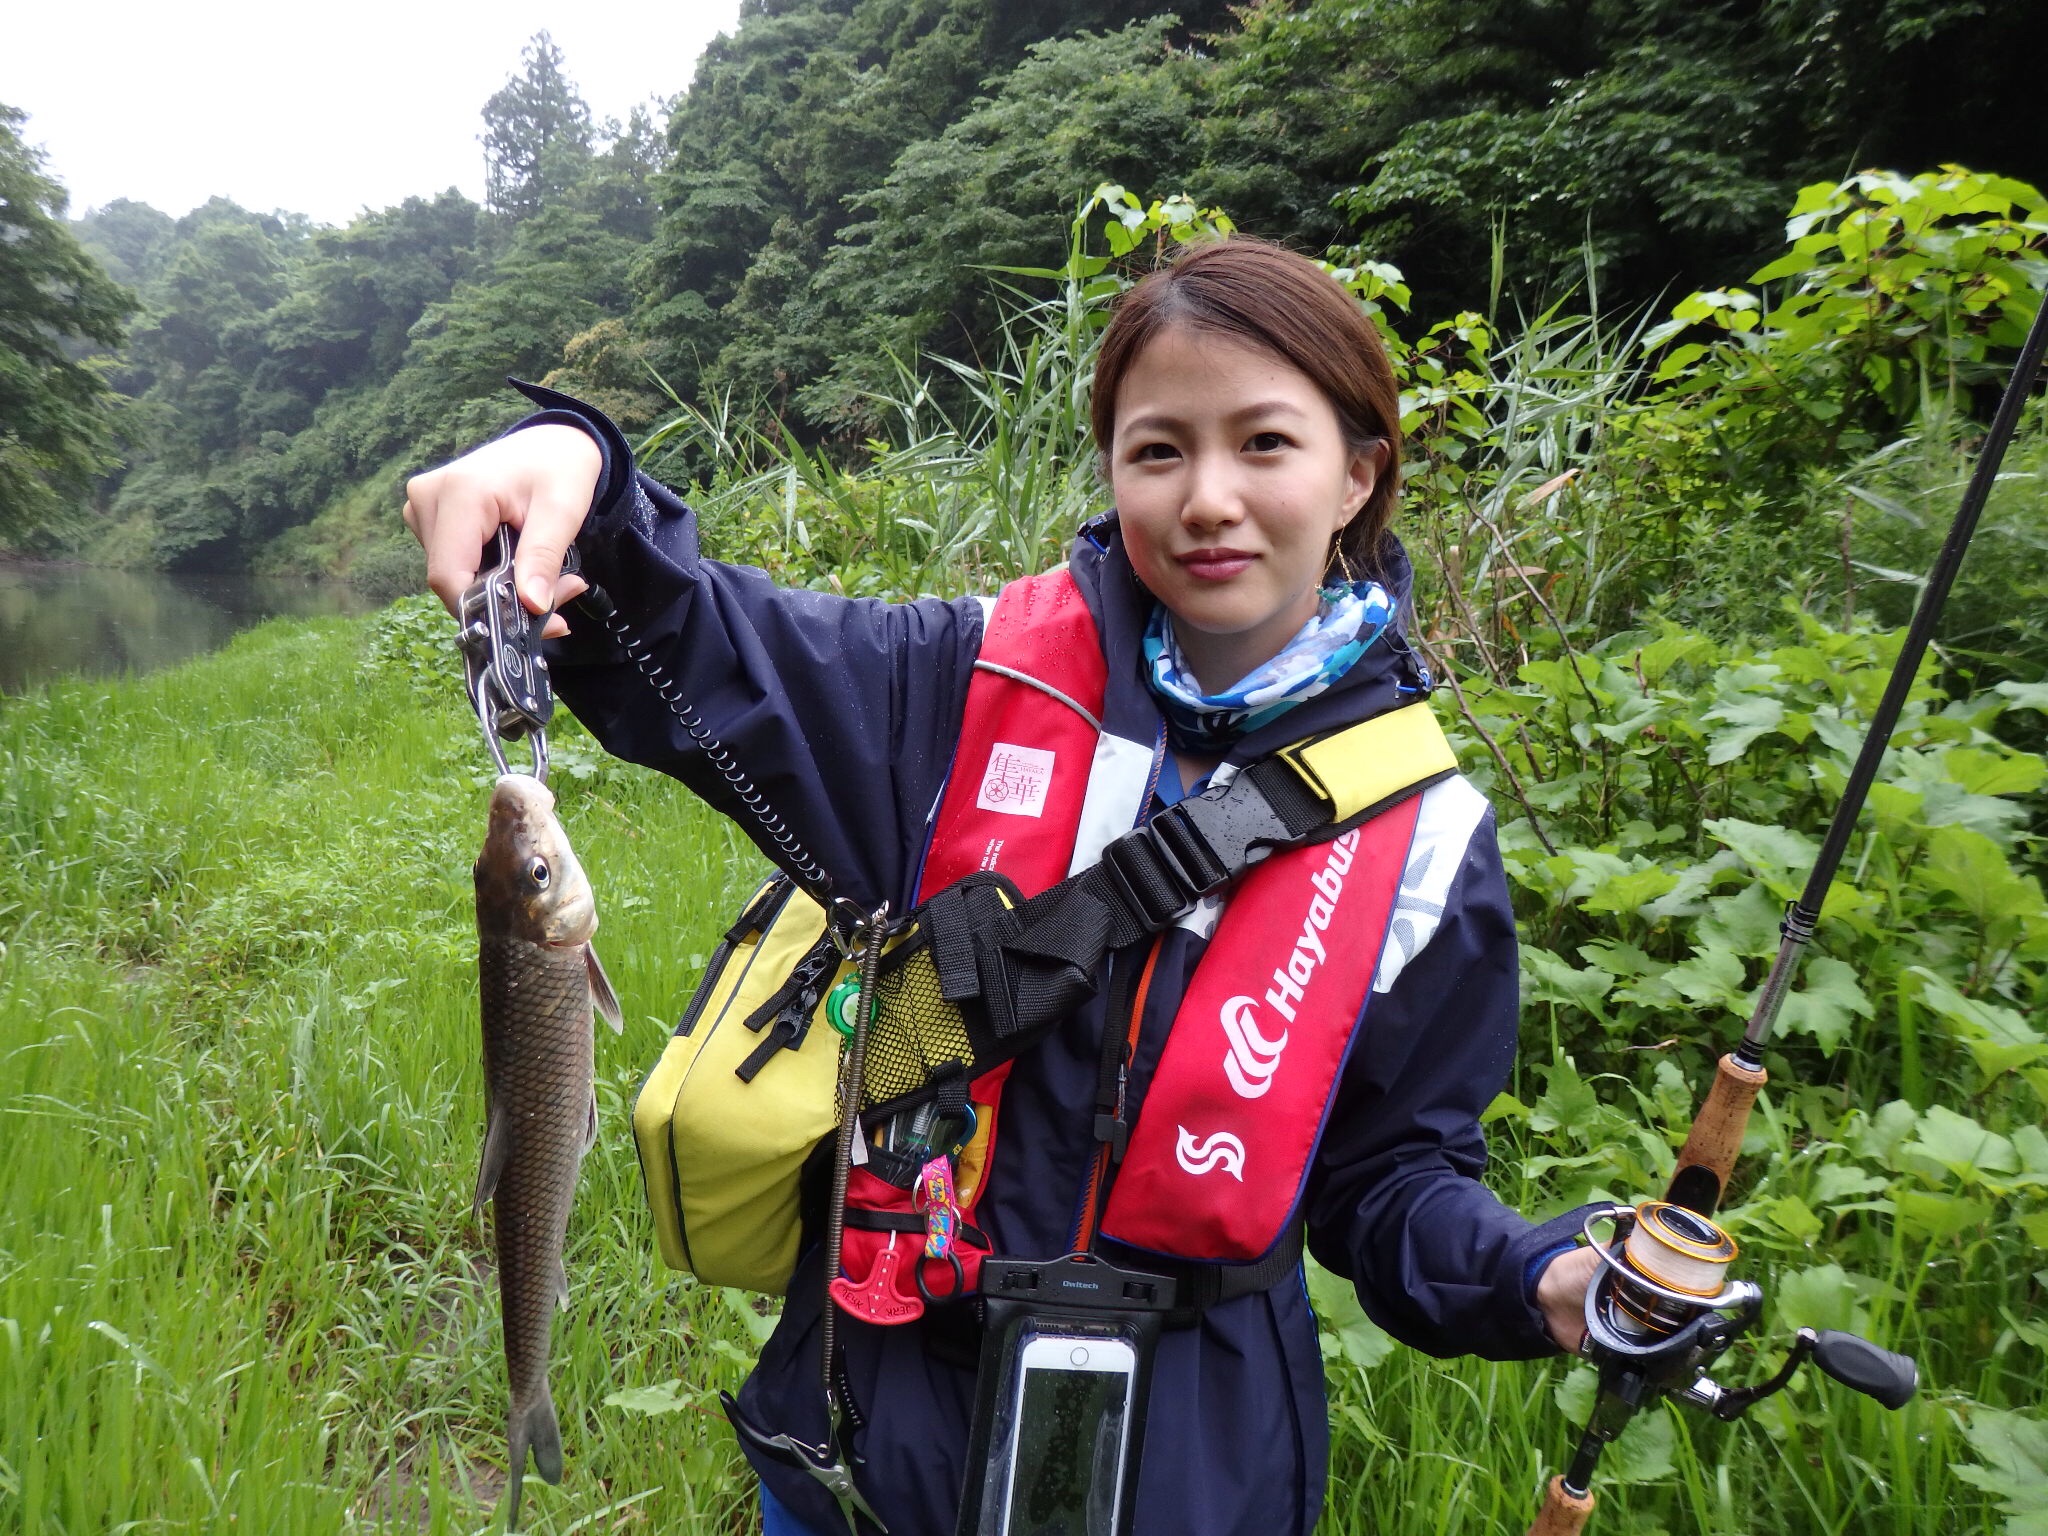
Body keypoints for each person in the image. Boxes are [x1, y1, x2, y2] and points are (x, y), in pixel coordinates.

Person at [405, 236, 1602, 1536]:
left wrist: (1533, 1272)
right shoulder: (959, 682)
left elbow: (1396, 1175)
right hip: (867, 1454)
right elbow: (704, 643)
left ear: (1359, 472)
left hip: (1195, 1482)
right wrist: (576, 469)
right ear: (1112, 468)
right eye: (1158, 450)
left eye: (1266, 443)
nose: (1209, 498)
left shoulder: (1426, 835)